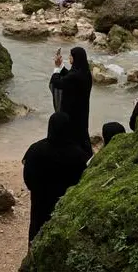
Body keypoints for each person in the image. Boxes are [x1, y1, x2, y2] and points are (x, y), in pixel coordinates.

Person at [23, 112, 87, 244]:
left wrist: (35, 189)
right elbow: (83, 180)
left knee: (37, 231)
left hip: (40, 199)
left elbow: (27, 176)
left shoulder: (35, 149)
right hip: (66, 201)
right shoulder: (77, 154)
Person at [50, 47, 93, 157]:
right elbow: (69, 76)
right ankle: (87, 154)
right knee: (82, 132)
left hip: (71, 110)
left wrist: (56, 69)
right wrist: (61, 66)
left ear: (75, 58)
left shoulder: (75, 76)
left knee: (72, 134)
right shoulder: (85, 72)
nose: (69, 57)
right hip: (82, 109)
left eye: (71, 56)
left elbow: (57, 83)